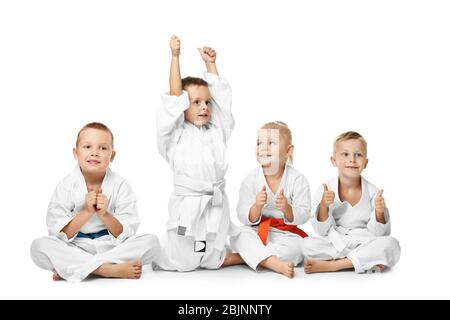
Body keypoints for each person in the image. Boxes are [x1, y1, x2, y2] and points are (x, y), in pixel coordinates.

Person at [30, 122, 160, 282]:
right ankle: (105, 269)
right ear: (75, 152)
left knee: (152, 243)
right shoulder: (66, 186)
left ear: (112, 155)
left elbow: (125, 231)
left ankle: (77, 269)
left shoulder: (121, 185)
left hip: (111, 247)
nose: (95, 153)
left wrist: (104, 214)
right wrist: (86, 213)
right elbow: (57, 231)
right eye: (87, 147)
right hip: (76, 247)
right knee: (39, 246)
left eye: (103, 148)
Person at [154, 36, 241, 272]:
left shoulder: (216, 130)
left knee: (211, 254)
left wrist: (211, 65)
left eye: (207, 102)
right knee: (185, 260)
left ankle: (226, 256)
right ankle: (156, 254)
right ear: (183, 107)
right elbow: (174, 98)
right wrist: (175, 58)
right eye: (196, 102)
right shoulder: (175, 135)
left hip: (215, 202)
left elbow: (223, 101)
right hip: (187, 204)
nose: (204, 107)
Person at [303, 131, 401, 274]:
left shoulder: (373, 192)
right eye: (345, 154)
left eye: (358, 155)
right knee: (306, 245)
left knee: (392, 245)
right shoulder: (326, 189)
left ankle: (334, 265)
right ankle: (364, 261)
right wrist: (323, 206)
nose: (352, 159)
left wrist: (379, 213)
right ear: (334, 160)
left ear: (365, 163)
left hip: (364, 241)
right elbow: (321, 230)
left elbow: (379, 234)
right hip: (336, 241)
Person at [231, 121, 311, 278]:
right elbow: (242, 213)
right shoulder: (251, 179)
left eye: (271, 143)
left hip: (285, 233)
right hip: (257, 229)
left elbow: (305, 212)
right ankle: (273, 262)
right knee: (239, 235)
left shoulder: (297, 180)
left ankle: (241, 258)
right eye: (259, 143)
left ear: (288, 150)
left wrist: (288, 209)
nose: (264, 148)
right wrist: (256, 207)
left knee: (299, 248)